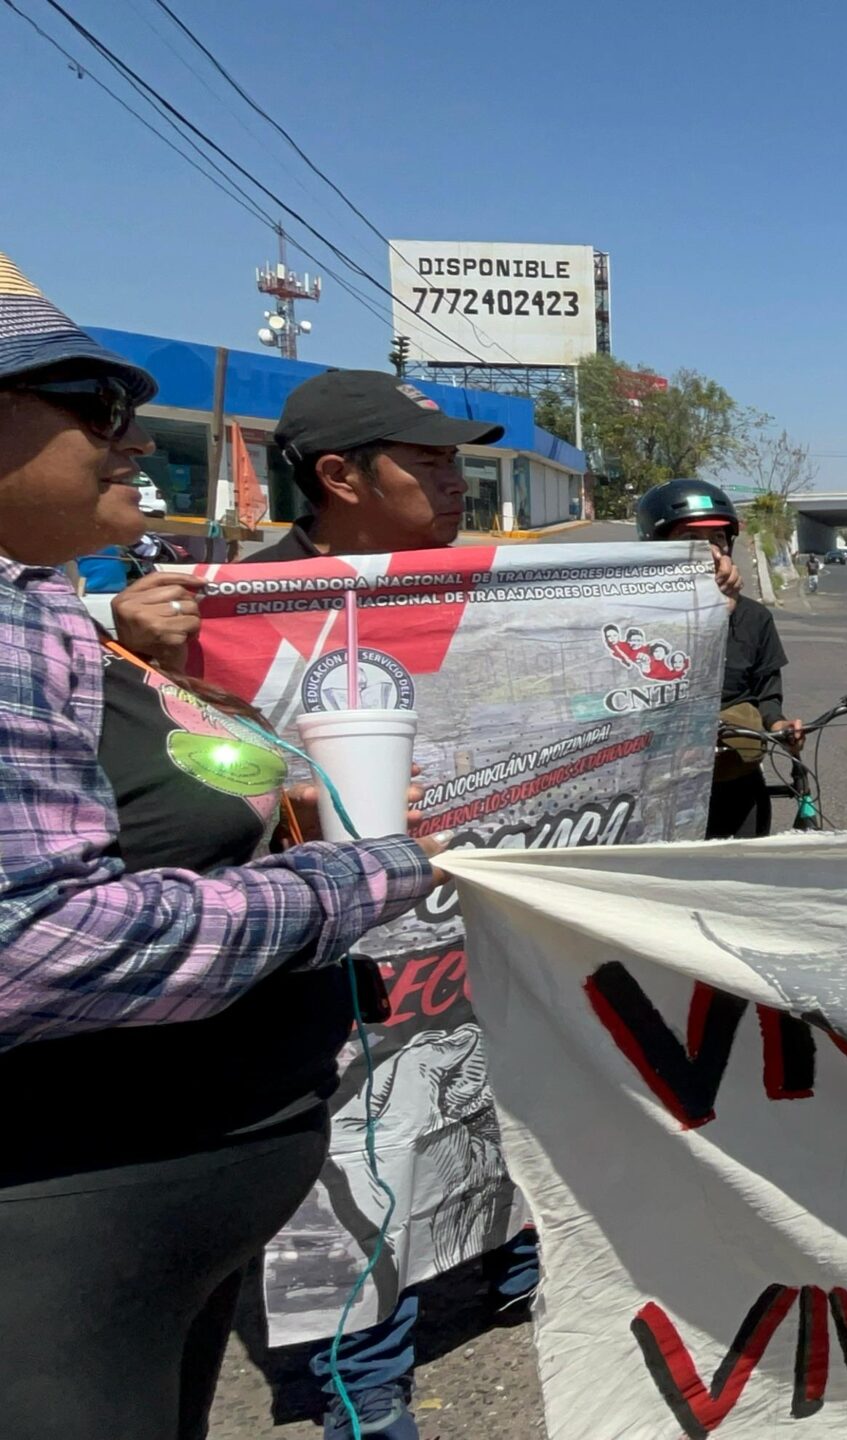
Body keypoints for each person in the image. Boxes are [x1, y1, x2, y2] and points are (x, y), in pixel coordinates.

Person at [0, 249, 438, 1439]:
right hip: (57, 1231)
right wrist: (358, 880)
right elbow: (30, 942)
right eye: (97, 408)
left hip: (156, 1235)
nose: (136, 440)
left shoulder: (38, 602)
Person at [107, 369, 503, 673]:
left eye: (451, 460)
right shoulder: (229, 607)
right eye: (430, 463)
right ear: (338, 477)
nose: (459, 485)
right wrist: (146, 658)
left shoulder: (487, 591)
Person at [635, 478, 799, 839]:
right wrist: (712, 619)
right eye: (690, 541)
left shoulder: (756, 618)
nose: (710, 552)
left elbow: (767, 695)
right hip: (657, 791)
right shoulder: (637, 620)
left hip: (736, 784)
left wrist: (780, 728)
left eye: (718, 539)